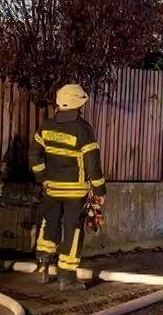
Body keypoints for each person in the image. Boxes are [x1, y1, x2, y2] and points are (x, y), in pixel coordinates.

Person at [30, 83, 107, 292]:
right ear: (78, 104)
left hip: (51, 189)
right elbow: (93, 163)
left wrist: (42, 178)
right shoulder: (83, 129)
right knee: (72, 230)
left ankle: (42, 269)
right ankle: (66, 277)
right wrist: (100, 191)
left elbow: (35, 155)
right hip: (75, 192)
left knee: (49, 223)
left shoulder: (46, 127)